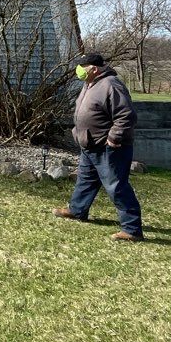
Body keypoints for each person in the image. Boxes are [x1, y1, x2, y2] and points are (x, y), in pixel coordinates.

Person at [54, 52, 144, 242]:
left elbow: (126, 116)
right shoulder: (90, 84)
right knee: (85, 180)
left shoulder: (111, 85)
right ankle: (77, 210)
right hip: (90, 145)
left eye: (81, 67)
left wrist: (113, 139)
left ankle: (132, 229)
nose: (78, 70)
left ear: (93, 69)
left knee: (117, 186)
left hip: (109, 148)